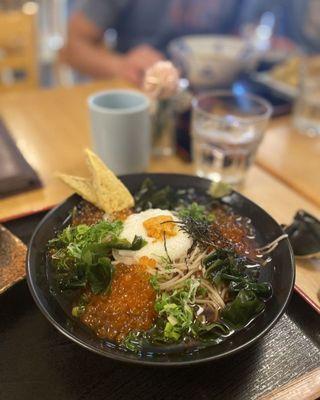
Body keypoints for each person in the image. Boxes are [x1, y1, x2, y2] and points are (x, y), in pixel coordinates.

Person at [61, 0, 243, 84]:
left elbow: (238, 38)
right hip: (138, 92)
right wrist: (121, 66)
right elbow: (71, 48)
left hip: (215, 103)